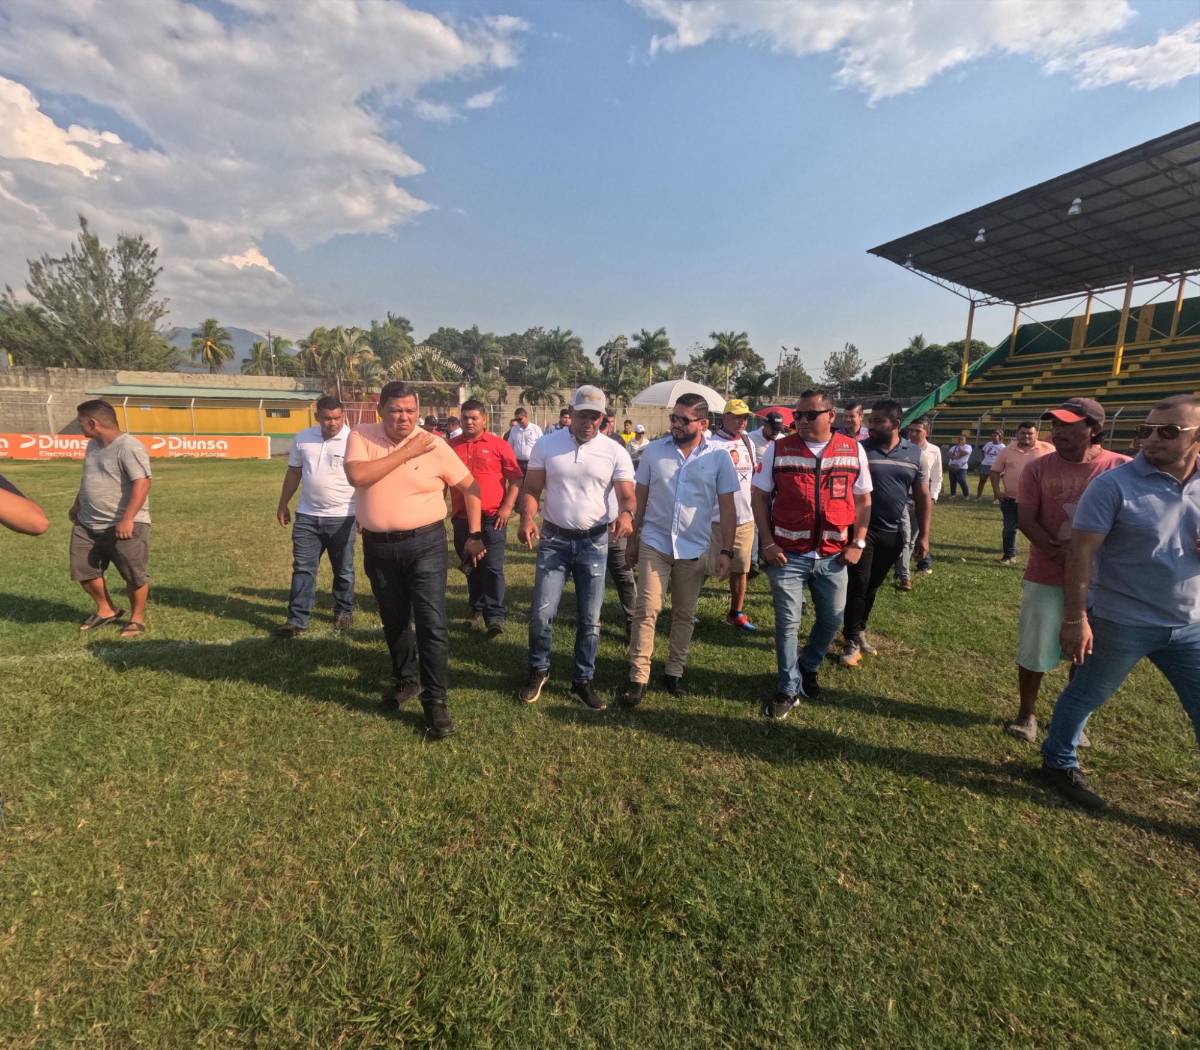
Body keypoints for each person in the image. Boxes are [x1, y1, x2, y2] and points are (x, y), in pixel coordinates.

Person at [1039, 394, 1200, 810]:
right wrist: (1075, 618)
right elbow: (1080, 554)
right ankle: (1058, 763)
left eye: (1168, 432)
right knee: (1086, 694)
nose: (1152, 439)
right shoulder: (1113, 485)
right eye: (1145, 430)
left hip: (1191, 624)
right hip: (1120, 619)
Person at [344, 381, 486, 740]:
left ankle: (435, 700)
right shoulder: (361, 436)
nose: (404, 418)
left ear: (418, 411)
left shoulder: (434, 444)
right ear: (381, 410)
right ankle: (407, 679)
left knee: (431, 622)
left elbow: (470, 486)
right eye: (395, 410)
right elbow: (357, 476)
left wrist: (474, 533)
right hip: (379, 547)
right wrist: (407, 452)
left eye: (410, 411)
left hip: (426, 544)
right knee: (394, 619)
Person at [1004, 398, 1128, 744]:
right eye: (1055, 424)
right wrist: (1060, 554)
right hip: (1047, 572)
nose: (1057, 431)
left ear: (1094, 429)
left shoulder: (1122, 469)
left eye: (1068, 425)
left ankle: (1073, 718)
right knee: (1035, 646)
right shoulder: (1038, 469)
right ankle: (1027, 713)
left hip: (1103, 581)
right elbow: (1027, 519)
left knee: (1087, 653)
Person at [753, 390, 872, 717]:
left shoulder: (853, 450)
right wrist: (768, 543)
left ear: (831, 415)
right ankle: (787, 687)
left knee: (833, 619)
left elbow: (863, 500)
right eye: (798, 415)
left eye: (810, 415)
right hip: (787, 555)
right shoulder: (780, 449)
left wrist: (858, 542)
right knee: (787, 624)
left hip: (834, 556)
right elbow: (759, 496)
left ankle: (808, 665)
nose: (801, 421)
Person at [517, 385, 635, 711]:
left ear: (603, 419)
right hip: (554, 540)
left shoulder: (614, 451)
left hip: (594, 542)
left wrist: (626, 514)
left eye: (596, 417)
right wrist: (526, 518)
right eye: (584, 415)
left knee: (590, 618)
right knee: (542, 614)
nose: (590, 422)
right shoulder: (547, 445)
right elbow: (531, 488)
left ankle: (583, 680)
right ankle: (539, 669)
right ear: (571, 413)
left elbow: (627, 496)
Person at [621, 394, 738, 707]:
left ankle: (674, 671)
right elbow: (641, 496)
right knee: (647, 609)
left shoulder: (718, 457)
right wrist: (632, 539)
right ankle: (638, 677)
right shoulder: (654, 452)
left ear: (703, 423)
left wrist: (726, 550)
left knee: (684, 614)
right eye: (673, 417)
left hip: (694, 546)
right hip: (655, 542)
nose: (675, 424)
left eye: (683, 420)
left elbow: (728, 508)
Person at [840, 400, 931, 667]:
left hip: (893, 532)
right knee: (858, 583)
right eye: (871, 420)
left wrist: (924, 536)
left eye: (878, 421)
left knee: (873, 585)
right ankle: (850, 640)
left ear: (896, 424)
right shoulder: (860, 449)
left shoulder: (915, 454)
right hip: (861, 530)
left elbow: (923, 496)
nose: (872, 426)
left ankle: (859, 629)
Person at [68, 399, 153, 638]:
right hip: (87, 523)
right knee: (83, 570)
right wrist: (77, 504)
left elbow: (142, 482)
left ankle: (136, 619)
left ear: (93, 423)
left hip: (123, 524)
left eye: (81, 422)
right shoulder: (92, 445)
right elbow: (89, 479)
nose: (79, 426)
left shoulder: (128, 446)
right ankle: (107, 609)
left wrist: (127, 519)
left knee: (133, 574)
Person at [275, 395, 357, 638]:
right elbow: (294, 472)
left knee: (343, 569)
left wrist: (364, 512)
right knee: (303, 568)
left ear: (343, 416)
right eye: (327, 418)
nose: (333, 423)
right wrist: (283, 503)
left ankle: (343, 611)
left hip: (343, 516)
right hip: (307, 516)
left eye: (337, 418)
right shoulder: (303, 438)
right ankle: (297, 619)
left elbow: (363, 480)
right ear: (317, 417)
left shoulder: (354, 440)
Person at [449, 399, 523, 636]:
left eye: (474, 418)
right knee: (471, 565)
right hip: (462, 518)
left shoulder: (498, 445)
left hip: (493, 518)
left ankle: (495, 615)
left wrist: (507, 507)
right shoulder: (451, 447)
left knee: (492, 567)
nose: (469, 422)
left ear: (484, 420)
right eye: (465, 418)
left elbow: (516, 479)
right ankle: (476, 609)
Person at [707, 398, 759, 632]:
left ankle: (736, 613)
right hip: (715, 519)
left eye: (745, 417)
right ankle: (686, 609)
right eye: (737, 417)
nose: (742, 421)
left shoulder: (748, 442)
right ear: (724, 417)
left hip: (745, 519)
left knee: (741, 568)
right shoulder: (711, 444)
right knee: (702, 567)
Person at [989, 421, 1053, 565]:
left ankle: (1044, 556)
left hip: (1040, 500)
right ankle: (1009, 556)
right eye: (1023, 433)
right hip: (1011, 498)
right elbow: (995, 471)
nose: (1026, 436)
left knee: (1042, 529)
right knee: (1009, 528)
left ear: (1036, 434)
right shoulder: (1007, 450)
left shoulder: (1048, 449)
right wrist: (997, 491)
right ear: (1017, 434)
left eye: (1030, 433)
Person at [894, 416, 941, 585]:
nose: (913, 434)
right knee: (905, 536)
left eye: (918, 431)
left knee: (912, 538)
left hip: (921, 500)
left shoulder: (934, 450)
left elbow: (937, 477)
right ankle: (904, 574)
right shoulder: (901, 447)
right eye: (911, 430)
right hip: (902, 498)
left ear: (927, 432)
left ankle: (901, 569)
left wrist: (932, 498)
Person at [506, 407, 543, 475]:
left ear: (526, 417)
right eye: (517, 420)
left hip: (532, 463)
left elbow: (541, 446)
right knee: (518, 481)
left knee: (531, 481)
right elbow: (510, 446)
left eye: (520, 419)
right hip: (518, 463)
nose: (519, 421)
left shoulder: (536, 429)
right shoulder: (514, 429)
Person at [977, 429, 1006, 498]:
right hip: (985, 465)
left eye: (995, 436)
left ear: (999, 437)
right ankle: (978, 497)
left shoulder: (1002, 446)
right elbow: (983, 451)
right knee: (982, 481)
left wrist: (1003, 468)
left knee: (995, 484)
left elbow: (1005, 458)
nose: (993, 437)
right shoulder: (988, 443)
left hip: (995, 466)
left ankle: (995, 499)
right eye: (992, 436)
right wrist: (984, 459)